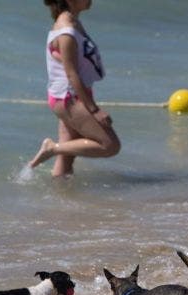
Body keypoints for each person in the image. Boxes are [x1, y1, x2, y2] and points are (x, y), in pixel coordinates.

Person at [30, 0, 120, 177]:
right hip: (69, 97)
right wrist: (94, 110)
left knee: (67, 158)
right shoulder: (66, 31)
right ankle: (52, 148)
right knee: (109, 145)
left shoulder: (73, 22)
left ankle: (61, 200)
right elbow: (71, 74)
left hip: (74, 94)